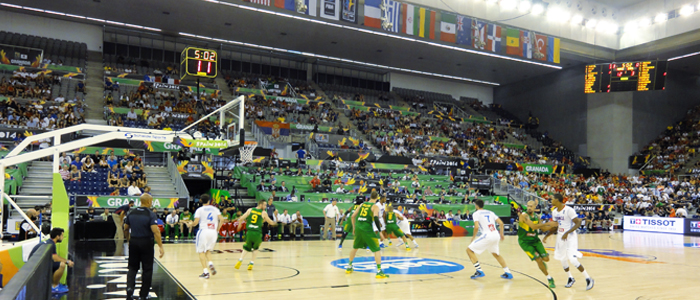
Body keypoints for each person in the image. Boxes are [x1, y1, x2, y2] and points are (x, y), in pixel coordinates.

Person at [544, 193, 594, 290]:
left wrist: (568, 232)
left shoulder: (569, 210)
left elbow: (578, 222)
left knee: (572, 259)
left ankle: (588, 278)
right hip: (560, 237)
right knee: (562, 259)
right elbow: (556, 226)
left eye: (552, 199)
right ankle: (570, 278)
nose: (551, 201)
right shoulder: (554, 212)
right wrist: (547, 235)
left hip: (570, 237)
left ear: (557, 200)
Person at [123, 194, 164, 300]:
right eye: (151, 201)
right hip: (146, 243)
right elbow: (156, 231)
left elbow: (126, 228)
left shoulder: (131, 212)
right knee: (147, 269)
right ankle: (143, 294)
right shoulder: (150, 214)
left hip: (134, 242)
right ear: (149, 201)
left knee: (132, 268)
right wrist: (160, 246)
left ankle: (129, 288)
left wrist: (128, 240)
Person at [345, 191, 389, 279]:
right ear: (377, 198)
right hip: (367, 229)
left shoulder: (362, 204)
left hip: (358, 228)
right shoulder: (375, 206)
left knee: (355, 247)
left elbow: (353, 216)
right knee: (377, 249)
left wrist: (354, 228)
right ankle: (379, 271)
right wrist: (380, 233)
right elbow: (376, 219)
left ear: (369, 197)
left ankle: (349, 267)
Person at [467, 199, 513, 280]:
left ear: (476, 206)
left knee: (469, 250)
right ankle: (508, 272)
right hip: (496, 234)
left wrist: (473, 237)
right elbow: (501, 223)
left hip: (487, 235)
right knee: (496, 254)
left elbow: (476, 227)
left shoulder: (476, 213)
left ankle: (479, 271)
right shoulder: (490, 212)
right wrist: (501, 234)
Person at [519, 200, 556, 288]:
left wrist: (554, 226)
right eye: (528, 205)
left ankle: (542, 265)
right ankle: (549, 278)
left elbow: (542, 229)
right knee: (538, 259)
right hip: (525, 242)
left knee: (546, 259)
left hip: (535, 240)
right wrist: (548, 223)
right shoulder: (523, 216)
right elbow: (533, 227)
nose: (529, 207)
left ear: (535, 207)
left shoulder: (537, 217)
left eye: (531, 206)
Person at [235, 200, 277, 270]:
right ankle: (251, 263)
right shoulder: (263, 213)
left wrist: (239, 225)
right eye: (264, 205)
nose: (265, 206)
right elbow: (271, 222)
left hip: (249, 232)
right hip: (257, 233)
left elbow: (241, 218)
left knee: (246, 247)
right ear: (260, 205)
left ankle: (240, 260)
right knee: (255, 248)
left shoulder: (250, 210)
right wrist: (276, 222)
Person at [29, 228, 73, 294]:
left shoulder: (49, 242)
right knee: (62, 265)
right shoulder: (51, 244)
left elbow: (55, 257)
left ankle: (55, 284)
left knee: (58, 264)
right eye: (62, 236)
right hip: (36, 267)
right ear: (57, 236)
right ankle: (54, 287)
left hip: (37, 264)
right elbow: (55, 258)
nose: (63, 237)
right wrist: (67, 262)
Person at [191, 194, 224, 279]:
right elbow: (222, 219)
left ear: (201, 201)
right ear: (209, 201)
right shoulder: (215, 209)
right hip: (213, 232)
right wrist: (218, 229)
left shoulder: (199, 210)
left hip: (204, 231)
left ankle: (205, 272)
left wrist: (190, 224)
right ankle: (210, 263)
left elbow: (196, 222)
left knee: (201, 251)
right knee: (208, 250)